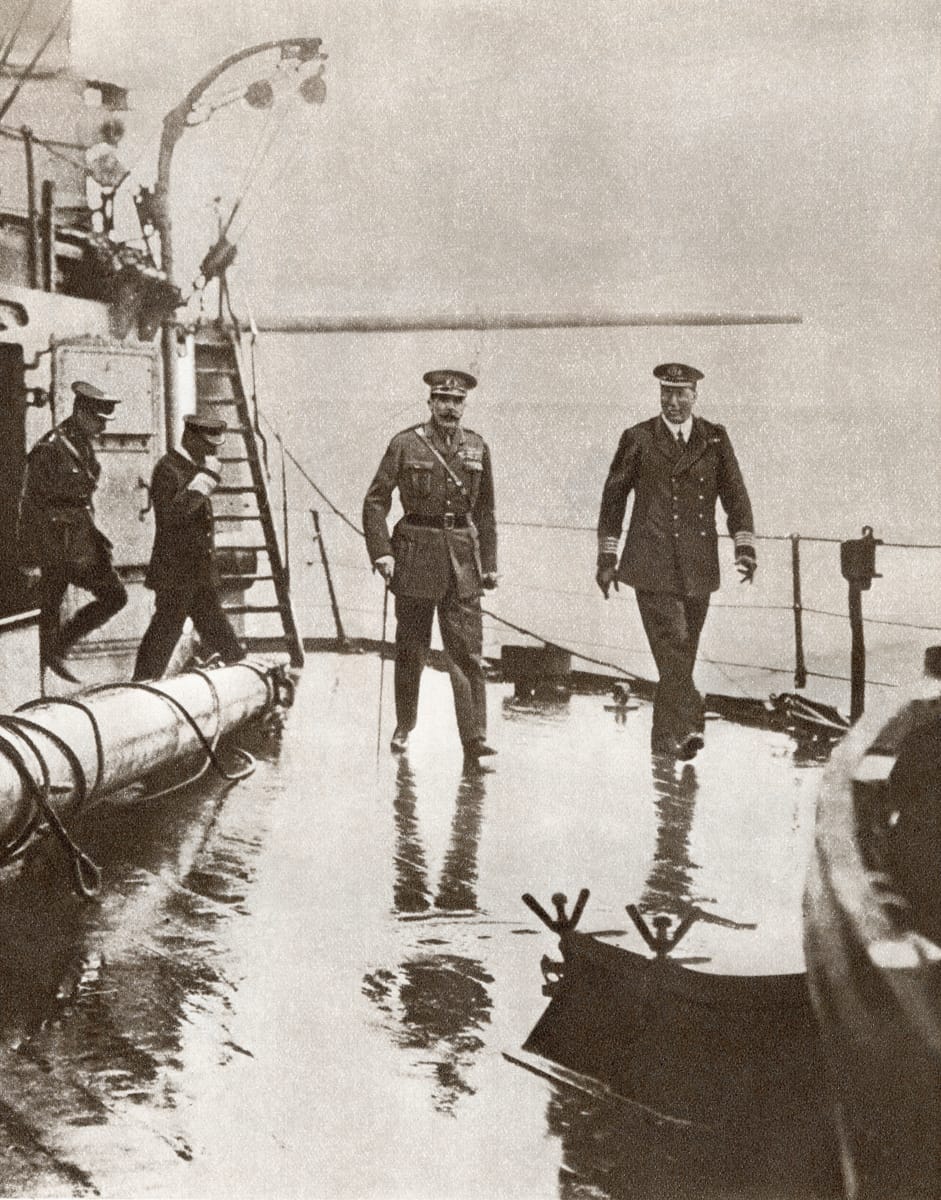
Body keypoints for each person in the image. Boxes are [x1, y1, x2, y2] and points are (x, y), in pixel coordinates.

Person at [595, 362, 756, 759]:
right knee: (675, 645)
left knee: (680, 656)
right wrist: (607, 556)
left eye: (682, 393)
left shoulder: (714, 439)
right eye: (666, 392)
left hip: (699, 564)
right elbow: (613, 499)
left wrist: (744, 546)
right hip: (651, 563)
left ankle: (665, 744)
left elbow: (735, 495)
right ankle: (691, 722)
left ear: (695, 396)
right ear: (659, 395)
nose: (673, 401)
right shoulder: (638, 438)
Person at [363, 369, 498, 759]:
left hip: (462, 561)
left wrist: (488, 563)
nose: (450, 408)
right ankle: (404, 725)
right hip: (415, 557)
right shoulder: (405, 444)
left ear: (464, 405)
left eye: (457, 401)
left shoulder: (477, 447)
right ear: (430, 403)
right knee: (411, 650)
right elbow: (376, 501)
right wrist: (382, 551)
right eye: (442, 400)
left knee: (468, 652)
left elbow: (486, 511)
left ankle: (475, 738)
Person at [17, 380, 128, 682]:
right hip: (53, 545)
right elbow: (29, 505)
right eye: (98, 420)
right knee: (47, 611)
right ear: (80, 412)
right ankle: (46, 666)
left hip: (79, 541)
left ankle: (60, 646)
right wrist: (30, 560)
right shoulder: (50, 448)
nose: (103, 428)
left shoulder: (82, 445)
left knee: (115, 596)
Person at [133, 412, 244, 681]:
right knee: (164, 634)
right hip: (176, 574)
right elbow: (173, 516)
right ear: (190, 437)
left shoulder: (192, 467)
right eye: (207, 445)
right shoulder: (168, 469)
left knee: (217, 632)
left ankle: (247, 680)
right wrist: (206, 478)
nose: (211, 451)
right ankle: (139, 689)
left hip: (197, 574)